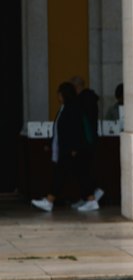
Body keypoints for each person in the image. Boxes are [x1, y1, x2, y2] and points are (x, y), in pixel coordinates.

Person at [31, 82, 92, 212]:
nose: (58, 96)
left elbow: (76, 130)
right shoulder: (64, 108)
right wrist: (50, 143)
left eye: (59, 94)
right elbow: (58, 130)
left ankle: (49, 201)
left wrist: (75, 148)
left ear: (64, 94)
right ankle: (90, 199)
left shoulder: (72, 108)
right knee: (78, 175)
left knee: (61, 174)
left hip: (70, 149)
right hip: (65, 148)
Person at [70, 74, 103, 211]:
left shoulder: (80, 101)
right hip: (90, 140)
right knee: (86, 169)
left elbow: (79, 124)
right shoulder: (90, 100)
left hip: (83, 141)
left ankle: (90, 198)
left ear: (76, 87)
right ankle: (88, 196)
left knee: (83, 171)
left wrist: (76, 144)